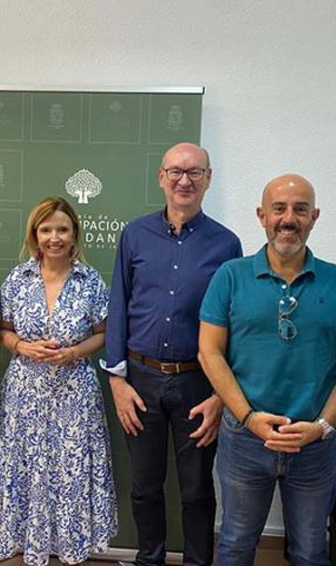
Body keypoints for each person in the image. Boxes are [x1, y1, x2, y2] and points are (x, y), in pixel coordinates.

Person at [104, 143, 242, 566]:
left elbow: (235, 322)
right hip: (139, 381)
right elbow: (118, 303)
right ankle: (149, 559)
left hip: (199, 382)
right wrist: (117, 380)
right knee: (144, 486)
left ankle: (198, 562)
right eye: (176, 172)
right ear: (161, 177)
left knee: (196, 489)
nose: (185, 180)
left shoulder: (226, 244)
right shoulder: (135, 234)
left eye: (195, 172)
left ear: (208, 179)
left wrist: (221, 395)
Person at [199, 174, 336, 565]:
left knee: (311, 551)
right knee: (235, 545)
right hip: (244, 439)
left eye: (300, 209)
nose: (288, 218)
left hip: (315, 443)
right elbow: (209, 353)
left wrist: (322, 426)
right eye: (279, 208)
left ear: (314, 216)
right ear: (262, 215)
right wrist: (248, 418)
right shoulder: (229, 276)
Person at [0, 197, 117, 566]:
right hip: (25, 393)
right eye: (46, 229)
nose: (54, 237)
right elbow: (3, 331)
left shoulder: (90, 281)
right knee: (27, 469)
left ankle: (71, 548)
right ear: (34, 234)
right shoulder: (18, 279)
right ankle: (30, 546)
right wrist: (22, 347)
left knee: (70, 472)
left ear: (74, 234)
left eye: (62, 229)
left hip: (75, 394)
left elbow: (104, 333)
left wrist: (73, 352)